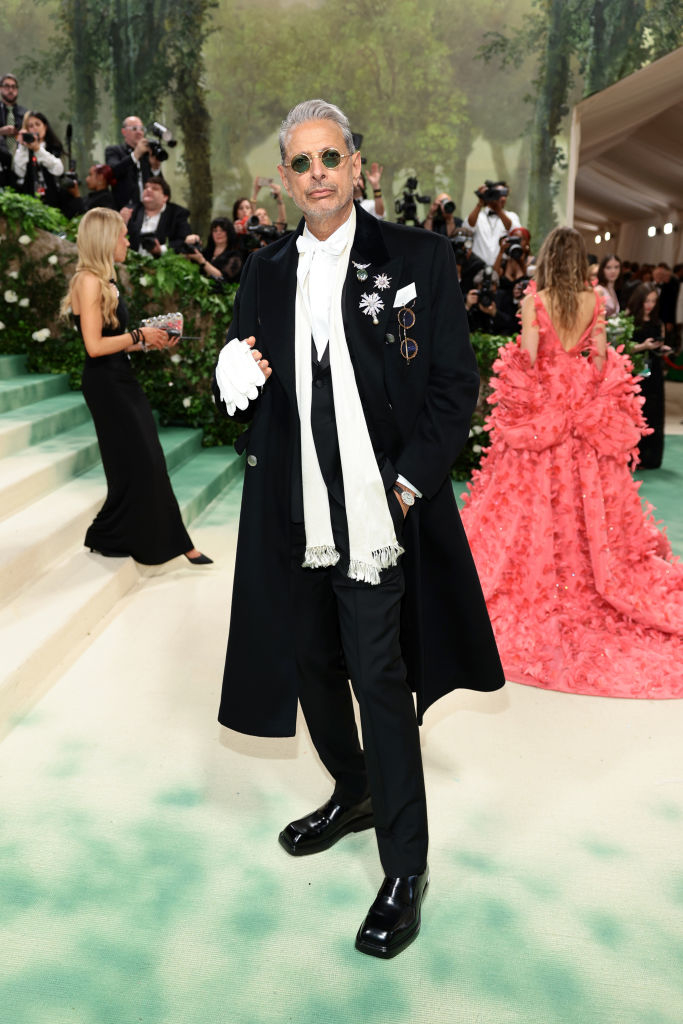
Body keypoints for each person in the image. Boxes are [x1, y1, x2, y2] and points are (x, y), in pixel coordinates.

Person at [212, 98, 504, 960]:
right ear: (284, 178)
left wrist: (410, 484)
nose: (316, 175)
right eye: (299, 164)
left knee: (378, 673)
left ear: (358, 164)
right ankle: (356, 787)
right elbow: (250, 365)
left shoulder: (417, 257)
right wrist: (230, 363)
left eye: (328, 158)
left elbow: (453, 385)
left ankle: (404, 867)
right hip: (296, 510)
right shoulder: (264, 271)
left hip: (382, 511)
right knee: (309, 660)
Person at [461, 226, 683, 699]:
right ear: (580, 260)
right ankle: (587, 571)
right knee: (587, 495)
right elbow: (600, 356)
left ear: (547, 257)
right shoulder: (593, 300)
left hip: (545, 407)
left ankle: (542, 575)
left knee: (530, 493)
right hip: (583, 404)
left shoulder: (534, 301)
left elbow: (529, 354)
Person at [60, 207, 212, 566]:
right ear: (104, 239)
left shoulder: (105, 281)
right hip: (105, 383)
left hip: (119, 377)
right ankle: (175, 542)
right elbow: (94, 346)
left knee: (140, 461)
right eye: (122, 235)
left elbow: (115, 340)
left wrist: (148, 341)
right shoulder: (88, 281)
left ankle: (109, 534)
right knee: (142, 460)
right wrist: (138, 334)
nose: (128, 240)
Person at [627, 283, 672, 469]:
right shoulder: (629, 319)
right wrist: (643, 346)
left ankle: (650, 457)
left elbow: (658, 346)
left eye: (653, 301)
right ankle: (631, 455)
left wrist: (662, 349)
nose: (650, 305)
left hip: (653, 373)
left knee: (653, 412)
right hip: (634, 373)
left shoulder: (657, 322)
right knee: (635, 413)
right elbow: (623, 347)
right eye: (647, 301)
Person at [123, 177, 194, 256]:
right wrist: (123, 222)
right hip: (131, 261)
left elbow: (184, 240)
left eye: (155, 188)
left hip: (162, 263)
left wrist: (161, 249)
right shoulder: (131, 210)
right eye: (146, 187)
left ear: (165, 197)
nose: (148, 190)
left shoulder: (177, 214)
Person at [105, 115, 161, 208]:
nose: (139, 132)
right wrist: (135, 155)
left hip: (148, 210)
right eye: (134, 129)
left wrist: (155, 168)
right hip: (123, 210)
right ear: (124, 132)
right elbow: (113, 172)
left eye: (141, 129)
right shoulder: (114, 150)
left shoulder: (147, 154)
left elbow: (159, 184)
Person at [12, 111, 64, 210]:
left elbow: (58, 169)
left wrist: (37, 149)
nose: (35, 128)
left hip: (52, 199)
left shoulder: (53, 146)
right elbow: (19, 172)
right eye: (30, 126)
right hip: (29, 199)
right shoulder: (23, 149)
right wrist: (23, 146)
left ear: (45, 126)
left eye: (37, 124)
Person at [466, 180, 521, 265]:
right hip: (477, 267)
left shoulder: (511, 216)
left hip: (501, 267)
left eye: (504, 194)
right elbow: (469, 225)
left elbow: (514, 231)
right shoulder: (479, 215)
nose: (502, 198)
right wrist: (480, 202)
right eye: (497, 194)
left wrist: (498, 210)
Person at [184, 216, 243, 284]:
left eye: (222, 230)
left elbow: (222, 278)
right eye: (215, 230)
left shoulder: (235, 256)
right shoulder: (206, 252)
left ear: (229, 233)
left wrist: (202, 261)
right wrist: (188, 245)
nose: (218, 233)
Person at [0, 72, 27, 187]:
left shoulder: (25, 114)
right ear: (1, 89)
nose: (10, 90)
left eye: (13, 87)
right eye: (7, 86)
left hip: (20, 165)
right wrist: (1, 131)